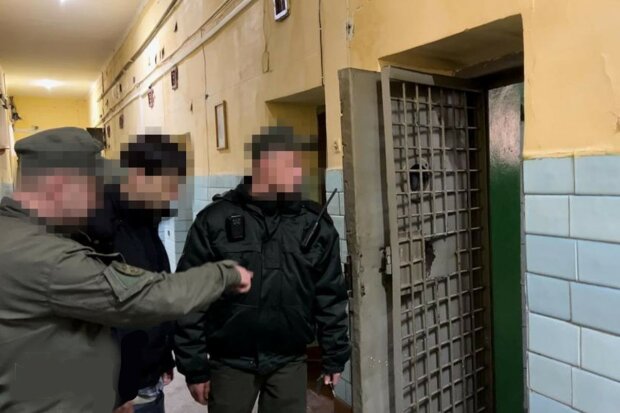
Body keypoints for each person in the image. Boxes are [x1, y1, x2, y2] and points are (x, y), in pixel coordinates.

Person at [0, 127, 252, 413]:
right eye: (93, 186)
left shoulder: (25, 233)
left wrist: (159, 358)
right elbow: (142, 297)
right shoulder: (48, 254)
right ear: (60, 184)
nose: (96, 197)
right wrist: (225, 274)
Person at [174, 127, 351, 413]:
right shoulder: (216, 221)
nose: (297, 173)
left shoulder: (312, 222)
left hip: (289, 360)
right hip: (230, 362)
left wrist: (334, 354)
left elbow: (330, 294)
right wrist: (194, 367)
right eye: (288, 164)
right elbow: (191, 296)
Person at [86, 134, 188, 413]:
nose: (174, 193)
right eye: (169, 184)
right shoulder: (99, 227)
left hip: (147, 377)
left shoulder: (143, 220)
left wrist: (163, 355)